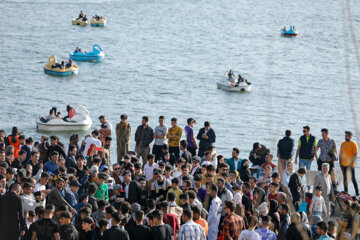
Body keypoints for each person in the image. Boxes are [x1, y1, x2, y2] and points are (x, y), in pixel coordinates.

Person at [339, 130, 359, 196]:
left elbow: (355, 155)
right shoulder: (343, 144)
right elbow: (341, 153)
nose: (345, 137)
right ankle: (346, 192)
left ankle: (357, 193)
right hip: (343, 164)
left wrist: (351, 163)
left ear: (350, 137)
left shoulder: (353, 144)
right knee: (345, 179)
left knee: (353, 179)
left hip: (350, 165)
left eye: (347, 136)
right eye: (345, 136)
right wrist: (340, 162)